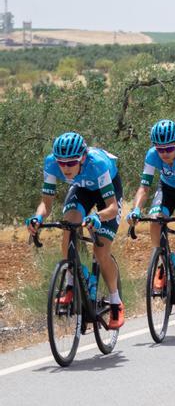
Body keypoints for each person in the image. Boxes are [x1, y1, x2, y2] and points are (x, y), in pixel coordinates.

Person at [27, 133, 126, 329]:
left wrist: (98, 217)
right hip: (81, 190)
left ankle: (116, 302)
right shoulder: (51, 164)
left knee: (101, 250)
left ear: (82, 157)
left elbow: (112, 208)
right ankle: (72, 284)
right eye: (61, 163)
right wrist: (37, 218)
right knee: (68, 225)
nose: (65, 168)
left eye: (71, 163)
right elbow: (45, 205)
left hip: (106, 194)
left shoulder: (97, 164)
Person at [128, 120, 175, 315]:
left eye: (169, 148)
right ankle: (162, 261)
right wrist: (136, 209)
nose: (165, 153)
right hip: (167, 189)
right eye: (160, 149)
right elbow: (144, 187)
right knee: (155, 220)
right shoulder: (153, 155)